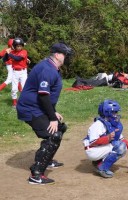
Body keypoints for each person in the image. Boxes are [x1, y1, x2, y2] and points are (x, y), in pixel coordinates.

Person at [16, 42, 73, 185]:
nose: (66, 57)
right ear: (58, 55)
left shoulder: (52, 67)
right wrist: (52, 117)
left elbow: (46, 95)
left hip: (37, 107)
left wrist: (53, 112)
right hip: (30, 108)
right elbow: (43, 96)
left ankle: (45, 159)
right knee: (54, 135)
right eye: (65, 54)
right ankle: (36, 174)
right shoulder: (47, 69)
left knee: (60, 127)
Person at [83, 99, 128, 178]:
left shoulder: (111, 124)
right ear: (107, 113)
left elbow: (121, 139)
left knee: (119, 144)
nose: (116, 115)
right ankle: (102, 168)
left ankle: (98, 162)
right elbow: (93, 142)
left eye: (116, 112)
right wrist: (107, 138)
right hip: (92, 150)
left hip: (99, 149)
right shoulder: (97, 125)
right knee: (120, 147)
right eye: (114, 112)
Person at [2, 38, 28, 107]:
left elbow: (18, 59)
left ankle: (25, 102)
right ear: (14, 46)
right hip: (14, 72)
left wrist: (9, 54)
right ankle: (14, 103)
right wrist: (7, 53)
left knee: (24, 88)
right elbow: (5, 60)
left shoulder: (24, 51)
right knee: (14, 89)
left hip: (23, 72)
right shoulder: (12, 52)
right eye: (17, 46)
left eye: (20, 46)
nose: (19, 47)